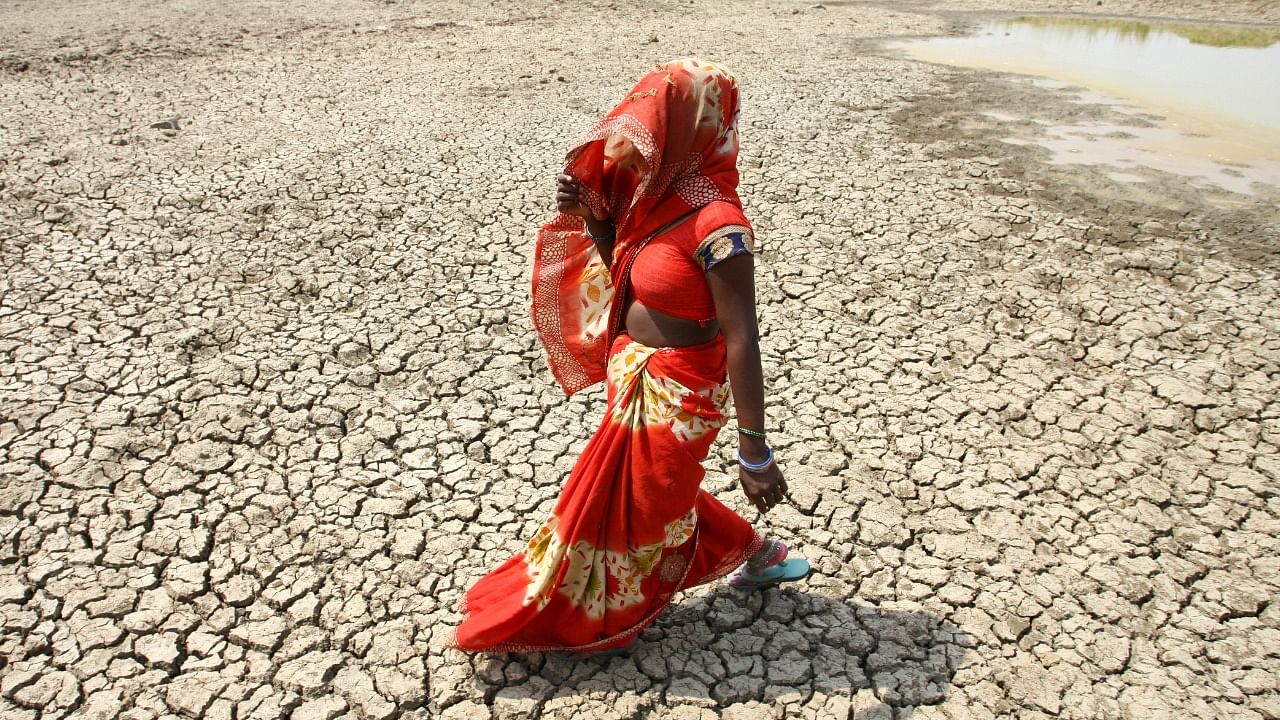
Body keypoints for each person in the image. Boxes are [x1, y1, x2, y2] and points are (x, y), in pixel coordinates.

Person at [449, 58, 807, 655]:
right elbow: (623, 271)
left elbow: (743, 338)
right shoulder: (656, 197)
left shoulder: (719, 222)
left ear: (692, 129)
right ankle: (759, 553)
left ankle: (605, 616)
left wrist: (754, 449)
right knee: (644, 488)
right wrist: (594, 218)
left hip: (681, 388)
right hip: (633, 371)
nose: (643, 140)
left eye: (658, 126)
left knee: (642, 500)